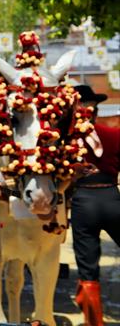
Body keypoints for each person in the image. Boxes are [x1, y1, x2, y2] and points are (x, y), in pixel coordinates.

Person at [71, 85, 119, 326]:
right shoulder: (113, 135)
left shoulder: (64, 141)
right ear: (95, 110)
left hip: (83, 202)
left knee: (88, 270)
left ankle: (94, 323)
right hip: (111, 197)